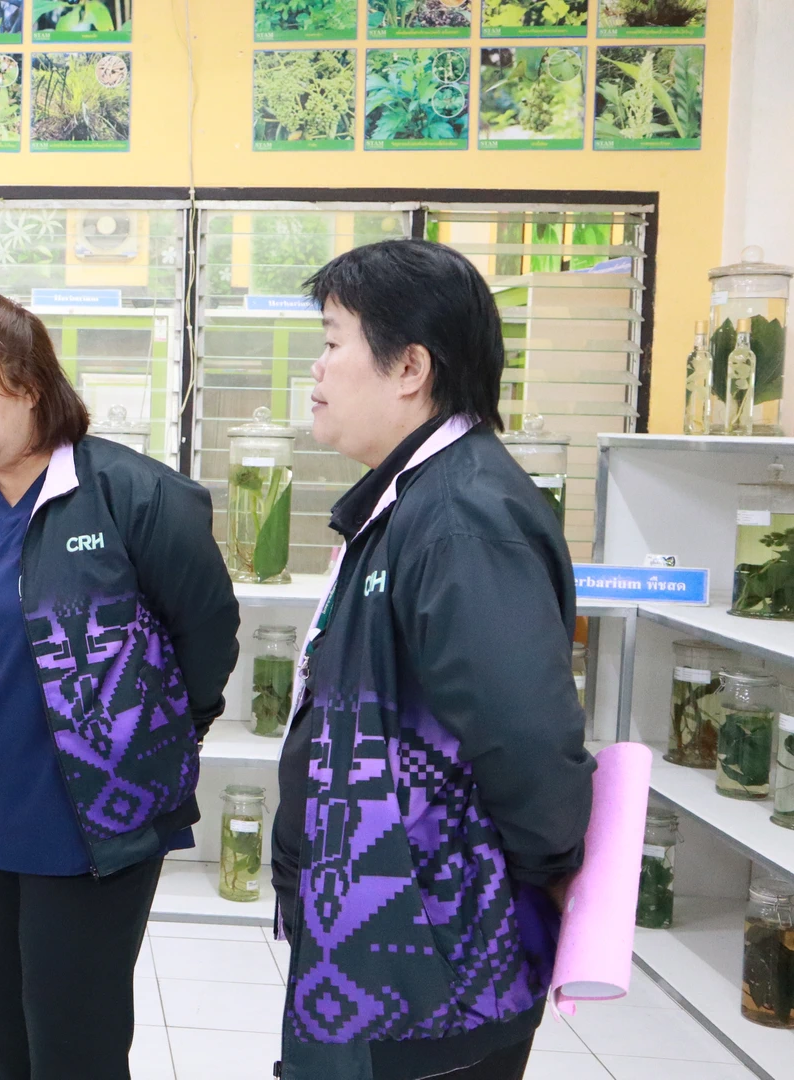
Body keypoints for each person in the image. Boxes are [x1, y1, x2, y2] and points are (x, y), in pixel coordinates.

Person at [272, 239, 595, 1080]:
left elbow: (526, 736)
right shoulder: (414, 498)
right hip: (389, 937)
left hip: (436, 954)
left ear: (410, 367)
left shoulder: (460, 517)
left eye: (333, 341)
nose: (316, 369)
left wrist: (536, 882)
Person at [0, 292, 240, 1080]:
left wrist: (160, 735)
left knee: (75, 1049)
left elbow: (207, 630)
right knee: (6, 1043)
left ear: (30, 385)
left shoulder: (131, 493)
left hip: (91, 823)